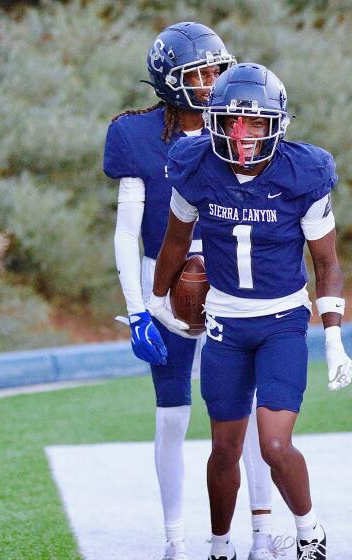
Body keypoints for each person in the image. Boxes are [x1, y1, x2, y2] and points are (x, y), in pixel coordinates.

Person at [150, 62, 352, 560]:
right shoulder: (195, 167)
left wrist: (333, 335)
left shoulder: (303, 173)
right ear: (213, 120)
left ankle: (309, 531)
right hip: (223, 321)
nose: (243, 135)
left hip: (283, 321)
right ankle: (221, 546)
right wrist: (155, 300)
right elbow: (175, 244)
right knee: (223, 449)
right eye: (232, 121)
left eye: (257, 122)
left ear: (277, 124)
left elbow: (325, 262)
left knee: (275, 446)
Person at [103, 23, 283, 560]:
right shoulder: (134, 136)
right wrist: (138, 310)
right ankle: (175, 538)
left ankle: (260, 529)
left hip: (233, 285)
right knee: (172, 415)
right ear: (168, 81)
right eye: (199, 74)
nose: (211, 84)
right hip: (165, 285)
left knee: (244, 417)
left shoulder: (241, 123)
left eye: (217, 71)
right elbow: (127, 231)